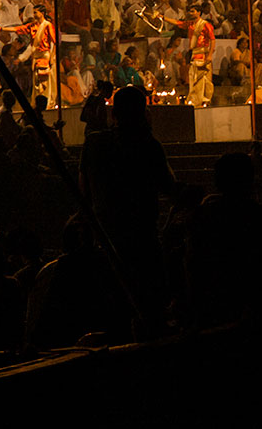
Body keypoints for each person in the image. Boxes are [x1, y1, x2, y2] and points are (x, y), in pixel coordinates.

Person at [79, 86, 174, 335]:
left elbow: (84, 190)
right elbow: (168, 186)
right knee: (148, 300)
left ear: (114, 114)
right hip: (141, 236)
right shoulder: (148, 145)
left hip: (106, 236)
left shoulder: (94, 144)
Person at [186, 152, 262, 328]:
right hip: (259, 308)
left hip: (214, 308)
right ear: (251, 180)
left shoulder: (202, 218)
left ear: (218, 182)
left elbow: (194, 266)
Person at [1, 4, 57, 106]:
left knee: (44, 81)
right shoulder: (32, 26)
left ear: (42, 13)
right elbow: (18, 29)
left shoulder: (47, 25)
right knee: (36, 81)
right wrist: (3, 29)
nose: (34, 14)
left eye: (36, 12)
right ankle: (37, 103)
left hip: (45, 56)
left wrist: (52, 57)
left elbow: (53, 42)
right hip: (36, 56)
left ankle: (48, 103)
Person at [164, 3, 215, 108]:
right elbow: (177, 23)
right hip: (194, 54)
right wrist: (163, 17)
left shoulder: (205, 24)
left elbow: (212, 40)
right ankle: (195, 101)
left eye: (192, 11)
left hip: (203, 54)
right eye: (190, 11)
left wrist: (209, 55)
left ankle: (202, 101)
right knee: (193, 78)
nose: (190, 13)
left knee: (203, 79)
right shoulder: (190, 24)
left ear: (199, 12)